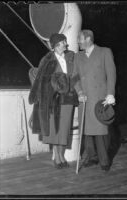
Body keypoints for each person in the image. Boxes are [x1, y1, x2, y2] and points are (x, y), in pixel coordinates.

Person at [28, 33, 78, 169]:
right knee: (55, 129)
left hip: (68, 97)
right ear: (55, 45)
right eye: (62, 43)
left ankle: (61, 155)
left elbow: (76, 75)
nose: (65, 45)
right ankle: (57, 157)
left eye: (65, 42)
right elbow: (40, 80)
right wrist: (35, 97)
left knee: (64, 129)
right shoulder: (47, 59)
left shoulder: (71, 56)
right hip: (53, 99)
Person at [73, 29, 116, 171]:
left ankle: (104, 161)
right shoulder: (78, 56)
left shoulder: (104, 52)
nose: (78, 42)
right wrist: (79, 92)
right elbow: (74, 77)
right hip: (84, 99)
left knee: (101, 131)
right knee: (86, 131)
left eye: (80, 39)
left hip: (100, 99)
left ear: (88, 39)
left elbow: (111, 74)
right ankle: (91, 157)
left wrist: (110, 94)